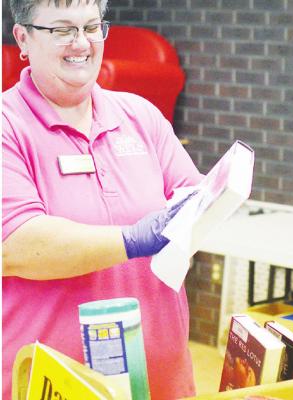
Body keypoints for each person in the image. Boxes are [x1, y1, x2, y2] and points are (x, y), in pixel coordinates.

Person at [2, 0, 203, 399]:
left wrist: (208, 208)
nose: (82, 43)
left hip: (163, 382)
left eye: (92, 27)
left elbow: (193, 200)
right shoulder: (7, 127)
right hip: (55, 385)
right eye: (62, 30)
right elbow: (15, 243)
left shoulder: (140, 116)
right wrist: (131, 240)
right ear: (23, 38)